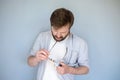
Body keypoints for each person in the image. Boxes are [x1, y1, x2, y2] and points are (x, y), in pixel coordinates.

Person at [27, 8, 89, 80]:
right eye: (55, 30)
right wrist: (36, 58)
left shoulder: (81, 43)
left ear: (69, 28)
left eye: (63, 32)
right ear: (51, 25)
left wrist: (69, 70)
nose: (58, 35)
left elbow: (86, 69)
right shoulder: (42, 37)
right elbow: (29, 62)